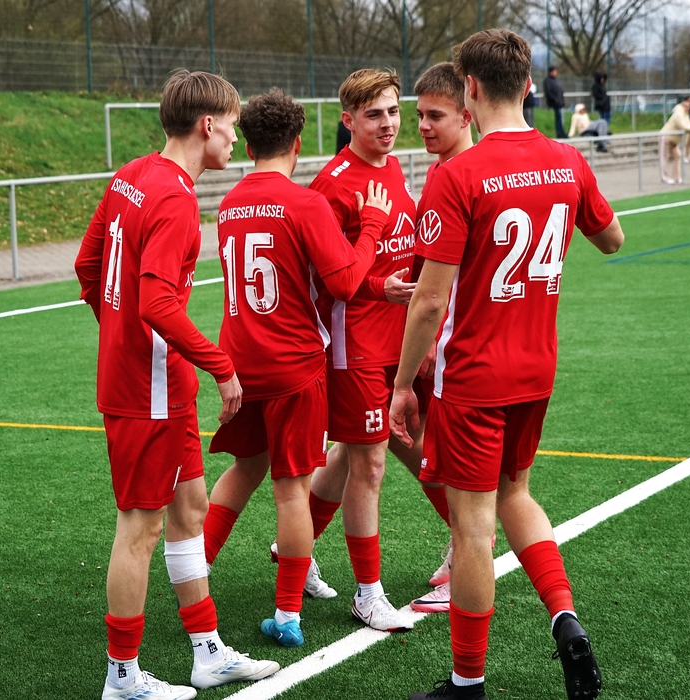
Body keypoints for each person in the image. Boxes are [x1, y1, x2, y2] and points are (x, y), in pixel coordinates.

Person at [390, 28, 624, 700]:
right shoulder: (566, 161)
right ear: (527, 85)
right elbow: (612, 239)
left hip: (474, 374)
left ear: (468, 88)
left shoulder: (457, 175)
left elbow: (429, 301)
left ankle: (467, 682)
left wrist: (402, 384)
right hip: (536, 367)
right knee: (515, 493)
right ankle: (565, 618)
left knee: (473, 526)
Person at [73, 69, 279, 700]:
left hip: (159, 383)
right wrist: (222, 365)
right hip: (149, 391)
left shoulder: (132, 174)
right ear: (206, 125)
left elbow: (87, 266)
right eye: (232, 125)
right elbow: (156, 304)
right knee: (140, 528)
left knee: (189, 512)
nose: (236, 137)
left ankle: (207, 652)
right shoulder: (174, 198)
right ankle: (122, 676)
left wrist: (117, 334)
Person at [202, 88, 393, 648]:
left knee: (245, 467)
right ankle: (287, 614)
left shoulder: (229, 204)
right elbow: (344, 283)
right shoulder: (305, 203)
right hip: (293, 364)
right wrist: (373, 225)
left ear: (249, 145)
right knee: (291, 491)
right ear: (298, 143)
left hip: (241, 362)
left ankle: (195, 567)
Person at [286, 67, 419, 633]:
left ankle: (295, 547)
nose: (387, 124)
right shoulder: (333, 184)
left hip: (395, 337)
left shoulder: (393, 166)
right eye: (373, 115)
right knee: (370, 461)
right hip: (353, 342)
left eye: (393, 111)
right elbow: (325, 275)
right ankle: (369, 594)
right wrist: (378, 287)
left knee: (351, 454)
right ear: (348, 120)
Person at [406, 61, 479, 614]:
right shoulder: (439, 172)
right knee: (375, 443)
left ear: (466, 114)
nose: (423, 125)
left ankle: (467, 556)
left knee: (441, 456)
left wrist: (430, 342)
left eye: (436, 115)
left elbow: (445, 283)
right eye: (420, 115)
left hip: (455, 344)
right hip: (434, 336)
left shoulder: (463, 175)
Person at [660, 96, 690, 184]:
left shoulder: (685, 114)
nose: (689, 107)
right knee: (664, 157)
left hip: (674, 140)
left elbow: (689, 124)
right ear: (683, 103)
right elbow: (683, 126)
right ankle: (664, 178)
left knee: (678, 156)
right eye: (688, 104)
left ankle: (676, 177)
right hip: (666, 137)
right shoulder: (678, 113)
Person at [543, 66, 567, 138]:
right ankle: (560, 133)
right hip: (556, 103)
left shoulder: (555, 80)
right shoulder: (548, 81)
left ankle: (562, 132)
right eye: (554, 71)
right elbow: (548, 92)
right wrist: (554, 99)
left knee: (561, 118)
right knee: (559, 118)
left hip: (560, 102)